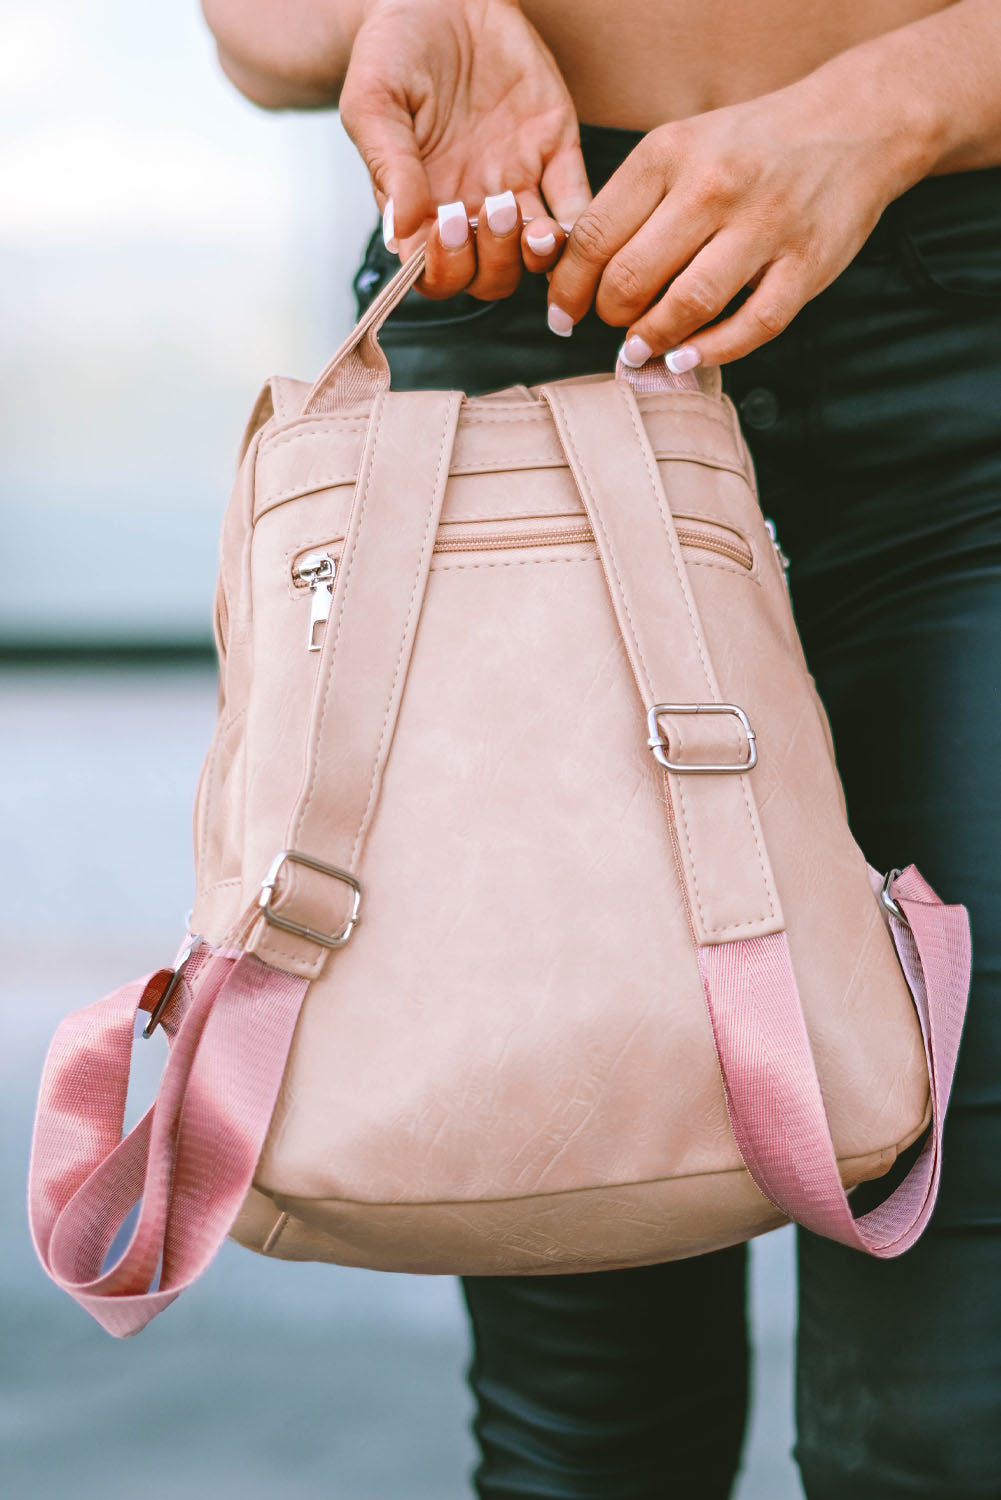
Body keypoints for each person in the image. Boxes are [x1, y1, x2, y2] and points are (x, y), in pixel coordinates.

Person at [201, 3, 1001, 1496]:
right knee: (588, 1430)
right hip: (522, 287)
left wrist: (889, 109)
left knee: (955, 1421)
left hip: (969, 340)